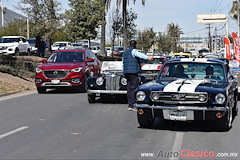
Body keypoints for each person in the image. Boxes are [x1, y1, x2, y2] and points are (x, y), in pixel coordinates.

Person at [123, 40, 153, 111]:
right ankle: (134, 104)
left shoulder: (125, 53)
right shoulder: (133, 51)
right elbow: (140, 55)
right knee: (134, 88)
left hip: (127, 72)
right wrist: (148, 58)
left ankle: (130, 105)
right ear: (135, 45)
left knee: (129, 89)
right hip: (133, 72)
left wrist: (123, 72)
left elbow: (123, 63)